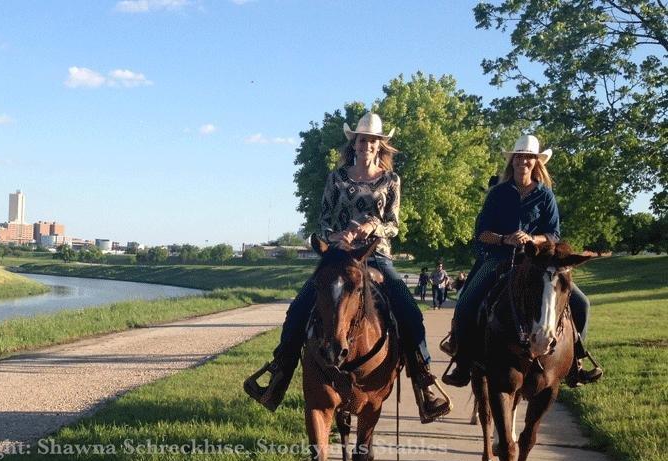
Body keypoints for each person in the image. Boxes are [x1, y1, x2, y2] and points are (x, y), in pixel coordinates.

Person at [244, 112, 451, 423]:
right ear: (353, 142)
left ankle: (423, 378)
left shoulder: (390, 180)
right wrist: (335, 235)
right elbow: (324, 220)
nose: (366, 144)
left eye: (372, 140)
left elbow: (394, 224)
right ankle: (279, 371)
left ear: (380, 145)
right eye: (361, 139)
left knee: (408, 309)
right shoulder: (336, 177)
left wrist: (373, 228)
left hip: (376, 255)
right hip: (339, 255)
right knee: (300, 307)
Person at [442, 134, 602, 387]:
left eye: (529, 157)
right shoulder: (497, 194)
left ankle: (575, 362)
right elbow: (481, 233)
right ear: (512, 160)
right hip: (498, 259)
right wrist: (506, 239)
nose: (523, 161)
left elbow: (553, 234)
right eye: (519, 156)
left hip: (536, 263)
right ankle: (463, 361)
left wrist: (532, 238)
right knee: (466, 301)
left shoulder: (545, 195)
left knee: (582, 303)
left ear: (537, 162)